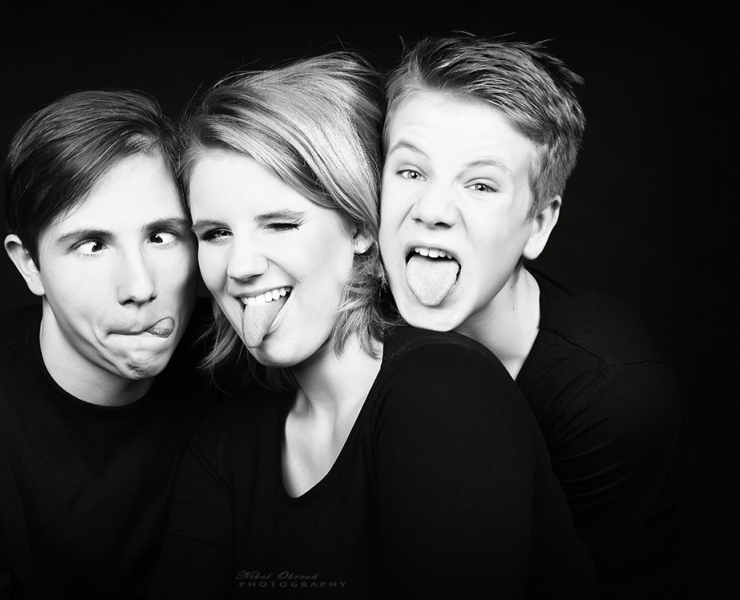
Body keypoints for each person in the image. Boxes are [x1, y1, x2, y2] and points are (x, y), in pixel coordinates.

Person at [149, 53, 598, 598]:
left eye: (281, 224)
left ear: (360, 227)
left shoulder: (445, 392)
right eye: (216, 234)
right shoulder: (227, 441)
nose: (240, 266)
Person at [379, 34, 704, 598]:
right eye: (410, 172)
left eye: (481, 184)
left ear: (538, 224)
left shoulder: (612, 395)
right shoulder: (341, 327)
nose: (432, 210)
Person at [0, 90, 208, 598]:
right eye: (92, 245)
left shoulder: (238, 365)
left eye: (161, 236)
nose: (140, 287)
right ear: (29, 264)